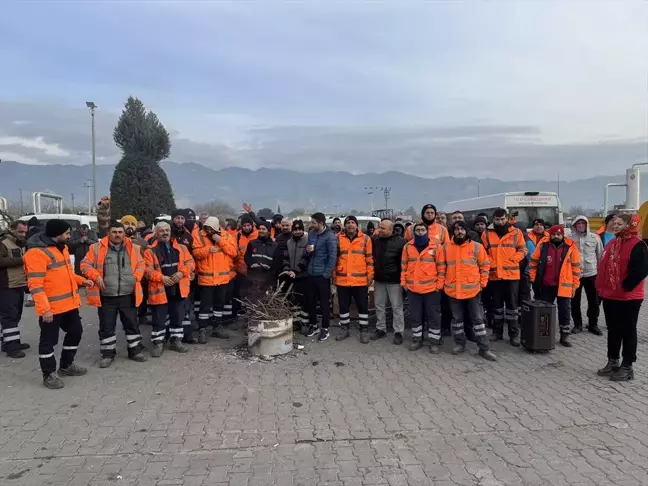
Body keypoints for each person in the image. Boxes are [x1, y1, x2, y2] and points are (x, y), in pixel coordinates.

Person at [24, 220, 94, 389]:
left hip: (69, 305)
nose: (70, 236)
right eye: (67, 233)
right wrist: (44, 309)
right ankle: (48, 375)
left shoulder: (60, 249)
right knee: (48, 342)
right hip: (51, 309)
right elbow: (35, 285)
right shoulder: (37, 254)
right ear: (57, 234)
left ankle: (66, 365)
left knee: (76, 332)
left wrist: (84, 281)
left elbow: (68, 275)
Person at [80, 221, 148, 367]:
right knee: (107, 326)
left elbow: (142, 264)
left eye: (120, 232)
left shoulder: (134, 248)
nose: (118, 235)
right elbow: (84, 264)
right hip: (106, 296)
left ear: (124, 233)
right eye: (115, 232)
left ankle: (135, 351)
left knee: (132, 324)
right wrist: (96, 276)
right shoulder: (96, 248)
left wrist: (136, 277)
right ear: (108, 233)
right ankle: (107, 354)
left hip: (128, 294)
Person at [596, 214, 648, 381]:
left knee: (627, 330)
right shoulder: (613, 242)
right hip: (610, 295)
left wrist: (624, 286)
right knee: (613, 330)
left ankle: (627, 366)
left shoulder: (638, 245)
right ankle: (613, 361)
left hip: (628, 297)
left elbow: (640, 271)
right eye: (614, 223)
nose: (615, 226)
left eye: (619, 223)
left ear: (629, 225)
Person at [437, 221, 496, 361]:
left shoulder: (477, 247)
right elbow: (441, 268)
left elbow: (485, 266)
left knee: (478, 319)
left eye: (462, 229)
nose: (459, 232)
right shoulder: (445, 248)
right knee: (457, 320)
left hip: (473, 290)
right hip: (452, 290)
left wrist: (482, 284)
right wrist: (443, 284)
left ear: (466, 231)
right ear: (453, 232)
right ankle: (460, 344)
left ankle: (484, 348)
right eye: (457, 229)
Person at [144, 222, 195, 357]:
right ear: (156, 233)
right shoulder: (150, 251)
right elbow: (147, 270)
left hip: (178, 289)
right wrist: (161, 278)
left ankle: (176, 341)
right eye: (161, 231)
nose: (165, 233)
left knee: (177, 317)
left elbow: (191, 263)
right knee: (159, 319)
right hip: (160, 289)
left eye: (167, 230)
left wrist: (181, 273)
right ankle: (158, 343)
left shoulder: (182, 248)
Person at [482, 208, 528, 346]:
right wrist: (490, 261)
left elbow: (523, 249)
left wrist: (514, 259)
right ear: (493, 219)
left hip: (511, 275)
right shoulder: (486, 233)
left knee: (512, 307)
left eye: (502, 219)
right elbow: (483, 252)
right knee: (497, 307)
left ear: (507, 219)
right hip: (494, 275)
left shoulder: (516, 232)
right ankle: (497, 332)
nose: (500, 222)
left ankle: (514, 334)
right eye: (497, 219)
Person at [529, 225, 581, 347]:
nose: (556, 236)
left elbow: (576, 267)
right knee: (545, 312)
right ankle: (544, 334)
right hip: (547, 285)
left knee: (564, 311)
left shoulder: (570, 247)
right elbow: (533, 262)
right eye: (553, 234)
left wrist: (575, 285)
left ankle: (564, 335)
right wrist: (533, 279)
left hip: (564, 285)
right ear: (550, 235)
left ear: (562, 235)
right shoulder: (543, 245)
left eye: (558, 234)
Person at [193, 216, 238, 343]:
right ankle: (202, 330)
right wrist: (207, 250)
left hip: (223, 279)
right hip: (206, 279)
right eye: (206, 228)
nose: (208, 231)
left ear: (216, 228)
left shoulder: (227, 237)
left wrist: (221, 241)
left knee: (219, 305)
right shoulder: (199, 236)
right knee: (205, 306)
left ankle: (217, 328)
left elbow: (234, 253)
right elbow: (195, 253)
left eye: (210, 229)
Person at [401, 222, 443, 352]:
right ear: (414, 232)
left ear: (427, 231)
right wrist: (404, 283)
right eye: (417, 230)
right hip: (413, 289)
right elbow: (404, 266)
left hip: (432, 289)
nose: (420, 232)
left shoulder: (436, 246)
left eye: (422, 230)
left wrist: (439, 285)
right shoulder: (408, 246)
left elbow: (441, 267)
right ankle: (417, 340)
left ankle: (434, 342)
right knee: (415, 316)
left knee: (433, 317)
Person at [334, 216, 374, 343]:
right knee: (343, 306)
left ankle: (364, 330)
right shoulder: (338, 239)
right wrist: (334, 276)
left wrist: (370, 276)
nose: (350, 225)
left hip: (360, 281)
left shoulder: (366, 239)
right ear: (344, 226)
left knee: (362, 307)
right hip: (342, 280)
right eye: (348, 223)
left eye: (353, 223)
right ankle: (344, 328)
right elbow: (334, 260)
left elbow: (369, 260)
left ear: (357, 226)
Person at [372, 219, 406, 345]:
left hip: (394, 281)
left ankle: (398, 332)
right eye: (379, 227)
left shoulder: (401, 242)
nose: (379, 230)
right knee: (379, 305)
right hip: (379, 280)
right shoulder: (375, 240)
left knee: (396, 307)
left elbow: (404, 263)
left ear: (391, 230)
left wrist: (403, 280)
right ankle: (381, 329)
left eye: (382, 228)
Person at [305, 212, 338, 341]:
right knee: (311, 302)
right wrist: (308, 251)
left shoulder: (330, 237)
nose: (311, 225)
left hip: (322, 275)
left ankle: (325, 328)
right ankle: (314, 325)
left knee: (324, 303)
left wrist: (326, 274)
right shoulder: (312, 234)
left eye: (314, 223)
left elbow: (332, 257)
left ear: (321, 223)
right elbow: (306, 255)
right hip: (311, 273)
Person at [569, 215, 603, 335]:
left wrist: (600, 273)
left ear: (587, 224)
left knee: (593, 301)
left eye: (583, 223)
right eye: (579, 223)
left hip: (591, 273)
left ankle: (593, 324)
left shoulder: (595, 238)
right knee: (575, 301)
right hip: (575, 275)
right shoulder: (569, 238)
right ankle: (577, 324)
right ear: (575, 225)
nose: (581, 225)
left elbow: (600, 256)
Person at [0, 221, 30, 358]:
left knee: (15, 316)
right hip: (7, 286)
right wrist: (22, 260)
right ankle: (12, 347)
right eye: (20, 232)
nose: (23, 234)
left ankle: (10, 341)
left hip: (19, 284)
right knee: (9, 317)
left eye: (25, 232)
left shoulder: (20, 243)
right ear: (12, 230)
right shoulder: (3, 242)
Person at [282, 220, 310, 332]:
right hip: (291, 276)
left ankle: (305, 323)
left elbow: (307, 259)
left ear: (303, 229)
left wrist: (296, 270)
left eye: (300, 229)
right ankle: (296, 323)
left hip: (303, 275)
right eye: (295, 229)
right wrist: (287, 269)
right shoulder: (289, 242)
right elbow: (285, 257)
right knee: (293, 301)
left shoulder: (308, 241)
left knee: (304, 301)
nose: (297, 231)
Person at [244, 221, 278, 302]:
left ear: (269, 231)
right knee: (252, 299)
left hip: (267, 279)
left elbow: (277, 261)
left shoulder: (275, 245)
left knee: (265, 301)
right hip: (253, 278)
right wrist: (251, 264)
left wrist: (270, 267)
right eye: (260, 229)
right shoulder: (252, 243)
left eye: (264, 229)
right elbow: (247, 256)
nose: (261, 230)